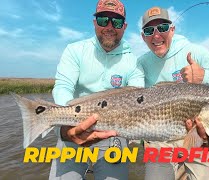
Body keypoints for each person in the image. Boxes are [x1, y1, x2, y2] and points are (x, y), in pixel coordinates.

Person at [138, 6, 209, 180]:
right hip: (161, 138)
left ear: (172, 30)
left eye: (162, 28)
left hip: (199, 135)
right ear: (143, 37)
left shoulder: (194, 51)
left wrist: (205, 76)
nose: (156, 35)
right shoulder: (142, 62)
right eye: (149, 30)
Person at [49, 0, 144, 179]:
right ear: (94, 23)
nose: (109, 26)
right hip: (74, 126)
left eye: (116, 22)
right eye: (103, 20)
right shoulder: (75, 50)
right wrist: (68, 128)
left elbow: (139, 98)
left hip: (114, 132)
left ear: (124, 27)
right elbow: (63, 87)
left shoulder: (134, 61)